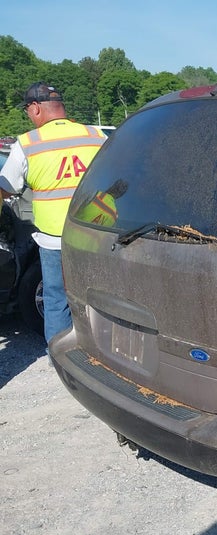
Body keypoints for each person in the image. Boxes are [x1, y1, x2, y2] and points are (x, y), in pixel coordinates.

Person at [0, 82, 107, 344]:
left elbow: (6, 188)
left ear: (36, 108)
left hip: (55, 240)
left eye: (27, 109)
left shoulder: (28, 143)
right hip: (97, 236)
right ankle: (103, 351)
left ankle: (60, 355)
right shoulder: (96, 136)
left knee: (57, 298)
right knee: (102, 297)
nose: (28, 114)